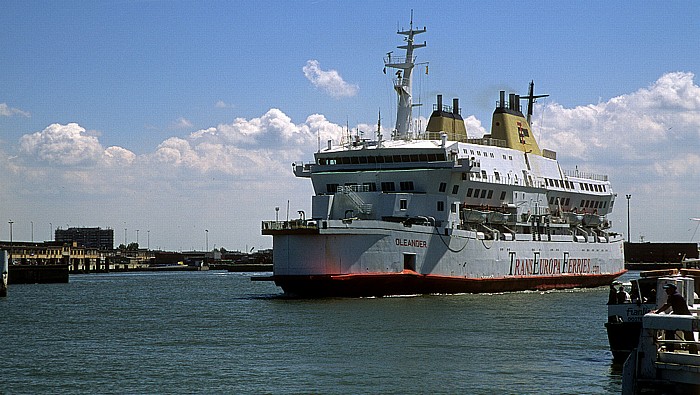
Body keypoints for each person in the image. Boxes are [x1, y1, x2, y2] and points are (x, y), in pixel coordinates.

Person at [654, 283, 698, 354]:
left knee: (670, 332)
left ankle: (670, 350)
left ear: (672, 289)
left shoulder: (674, 296)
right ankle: (693, 352)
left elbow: (667, 305)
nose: (666, 291)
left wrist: (657, 312)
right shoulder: (676, 295)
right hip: (684, 317)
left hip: (683, 318)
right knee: (689, 336)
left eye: (667, 289)